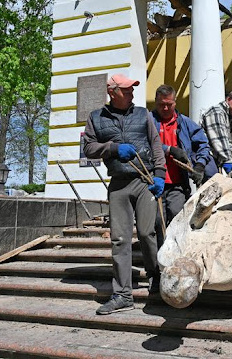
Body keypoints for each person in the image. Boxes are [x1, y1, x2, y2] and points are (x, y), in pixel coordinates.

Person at [83, 74, 166, 315]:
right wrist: (113, 148)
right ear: (113, 92)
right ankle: (122, 294)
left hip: (144, 180)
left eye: (132, 90)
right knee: (119, 239)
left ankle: (156, 277)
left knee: (147, 232)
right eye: (127, 90)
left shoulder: (143, 114)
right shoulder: (96, 118)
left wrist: (159, 173)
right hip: (119, 183)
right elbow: (88, 148)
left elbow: (155, 143)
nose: (132, 94)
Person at [150, 84, 212, 251]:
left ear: (175, 103)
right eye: (161, 104)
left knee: (178, 217)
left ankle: (177, 255)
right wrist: (168, 150)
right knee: (157, 222)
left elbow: (203, 145)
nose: (165, 108)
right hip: (154, 182)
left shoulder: (185, 123)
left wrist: (199, 165)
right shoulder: (147, 122)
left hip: (177, 184)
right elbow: (142, 145)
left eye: (169, 104)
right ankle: (160, 262)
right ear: (155, 102)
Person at [201, 91, 232, 175]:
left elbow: (227, 140)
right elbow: (218, 139)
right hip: (207, 154)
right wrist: (227, 159)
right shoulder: (216, 113)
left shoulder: (229, 116)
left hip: (216, 156)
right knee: (212, 181)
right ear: (228, 99)